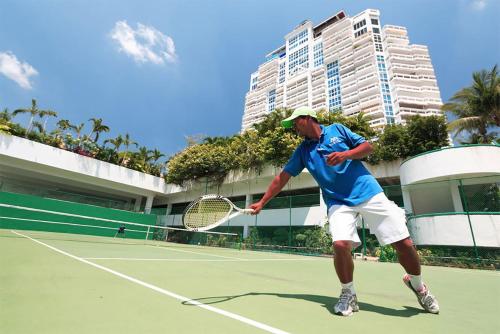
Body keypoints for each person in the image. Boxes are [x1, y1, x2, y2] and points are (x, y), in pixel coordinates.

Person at [249, 106, 439, 316]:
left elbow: (368, 147)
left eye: (295, 122)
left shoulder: (337, 130)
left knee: (403, 244)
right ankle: (348, 293)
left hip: (368, 192)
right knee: (340, 244)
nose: (293, 127)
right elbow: (282, 177)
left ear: (307, 118)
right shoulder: (302, 151)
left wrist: (345, 155)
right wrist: (262, 202)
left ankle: (418, 287)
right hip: (338, 202)